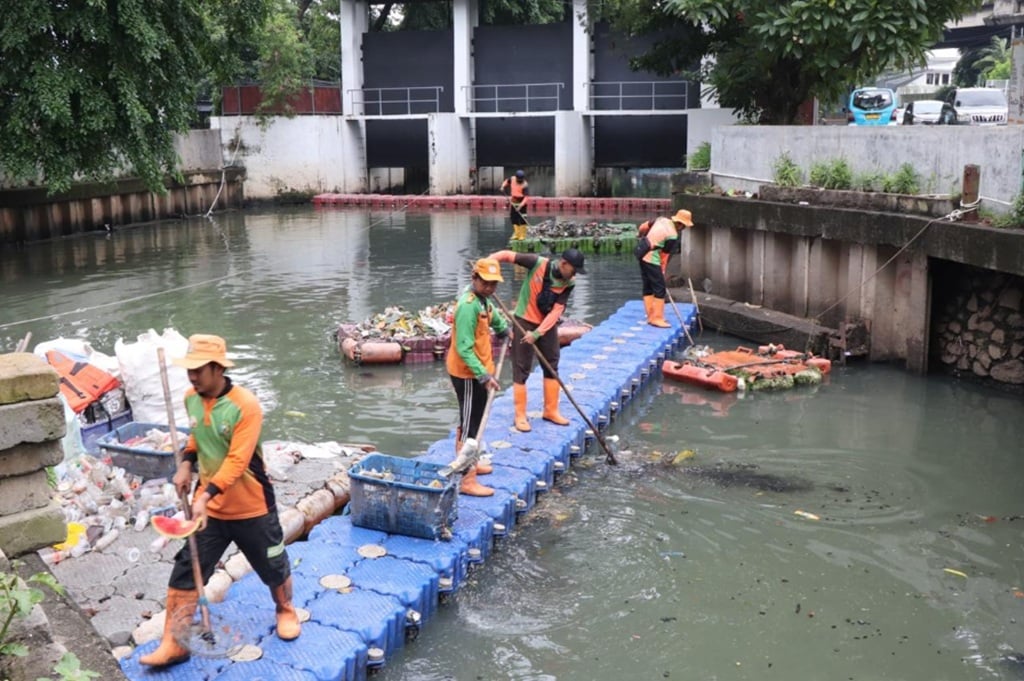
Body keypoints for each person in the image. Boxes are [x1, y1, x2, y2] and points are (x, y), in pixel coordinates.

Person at [141, 334, 299, 667]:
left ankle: (285, 609)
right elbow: (196, 439)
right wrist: (186, 464)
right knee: (187, 567)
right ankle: (175, 642)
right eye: (189, 370)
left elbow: (237, 461)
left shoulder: (245, 405)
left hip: (252, 506)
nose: (192, 377)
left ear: (218, 368)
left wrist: (206, 495)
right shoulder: (191, 398)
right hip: (209, 508)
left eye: (198, 370)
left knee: (272, 564)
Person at [487, 248, 585, 432]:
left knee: (552, 363)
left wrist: (538, 333)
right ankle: (520, 415)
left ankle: (550, 410)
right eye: (574, 270)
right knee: (521, 366)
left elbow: (557, 311)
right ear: (564, 264)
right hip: (524, 320)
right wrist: (488, 263)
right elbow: (507, 256)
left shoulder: (569, 283)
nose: (574, 275)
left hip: (546, 325)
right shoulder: (537, 263)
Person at [446, 258, 511, 497]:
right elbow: (464, 348)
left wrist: (504, 329)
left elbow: (494, 319)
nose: (490, 287)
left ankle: (471, 463)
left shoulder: (484, 301)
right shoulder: (468, 306)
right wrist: (483, 376)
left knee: (476, 418)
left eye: (494, 284)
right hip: (467, 374)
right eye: (485, 283)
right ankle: (466, 479)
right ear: (474, 278)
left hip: (480, 370)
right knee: (470, 425)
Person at [636, 209, 694, 327]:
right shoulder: (672, 235)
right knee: (660, 288)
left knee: (648, 285)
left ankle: (650, 315)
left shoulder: (661, 220)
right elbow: (664, 256)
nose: (683, 229)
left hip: (641, 252)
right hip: (651, 258)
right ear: (680, 224)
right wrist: (662, 271)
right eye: (684, 226)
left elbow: (643, 226)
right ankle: (657, 318)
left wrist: (640, 234)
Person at [500, 169, 529, 241]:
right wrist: (503, 186)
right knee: (513, 218)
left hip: (522, 202)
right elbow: (507, 181)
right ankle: (517, 234)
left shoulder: (525, 185)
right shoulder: (512, 179)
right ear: (516, 177)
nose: (520, 181)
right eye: (518, 179)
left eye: (521, 179)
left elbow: (526, 197)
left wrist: (520, 206)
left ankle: (522, 235)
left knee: (522, 218)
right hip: (514, 201)